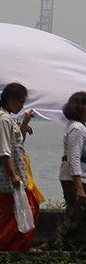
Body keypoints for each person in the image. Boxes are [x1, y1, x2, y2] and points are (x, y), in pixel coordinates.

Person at [0, 82, 38, 252]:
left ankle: (14, 247)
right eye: (20, 102)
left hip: (14, 175)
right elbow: (4, 150)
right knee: (24, 211)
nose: (22, 106)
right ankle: (2, 247)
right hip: (10, 177)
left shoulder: (7, 118)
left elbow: (17, 144)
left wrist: (25, 122)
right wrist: (13, 175)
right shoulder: (3, 119)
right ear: (10, 99)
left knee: (12, 214)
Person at [50, 91, 86, 250]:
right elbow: (74, 158)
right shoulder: (77, 129)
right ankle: (50, 247)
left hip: (75, 177)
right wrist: (79, 187)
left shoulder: (77, 126)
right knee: (74, 217)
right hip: (75, 179)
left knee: (75, 216)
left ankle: (68, 247)